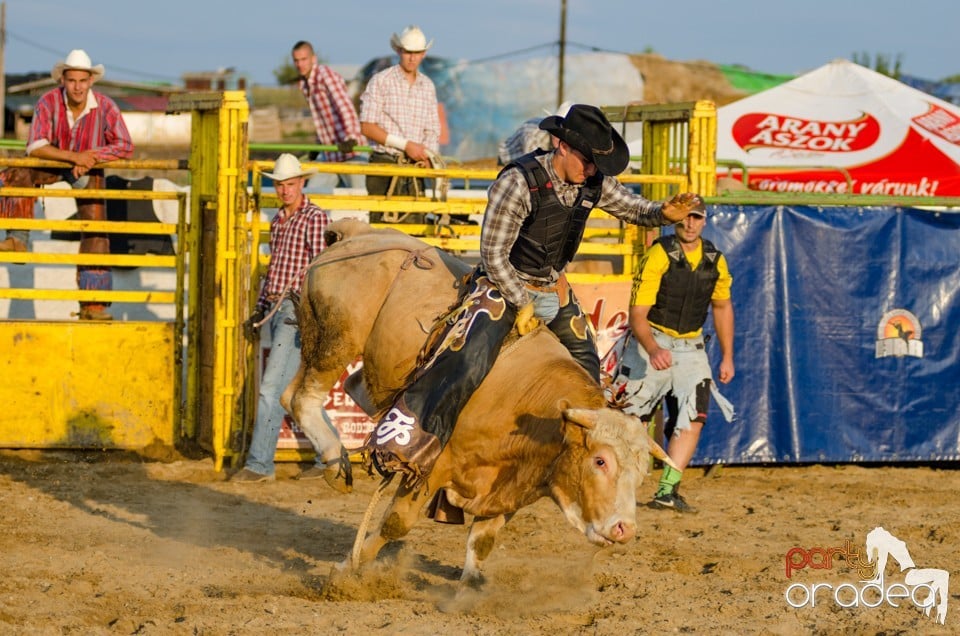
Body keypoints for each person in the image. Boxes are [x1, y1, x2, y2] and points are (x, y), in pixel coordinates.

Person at [367, 103, 705, 484]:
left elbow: (632, 208)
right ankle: (413, 443)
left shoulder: (592, 181)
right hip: (502, 284)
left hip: (553, 287)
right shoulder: (518, 181)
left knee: (587, 371)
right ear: (561, 146)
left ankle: (575, 458)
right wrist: (522, 301)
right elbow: (493, 255)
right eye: (588, 160)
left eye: (597, 164)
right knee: (468, 363)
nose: (591, 170)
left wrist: (664, 213)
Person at [231, 153, 352, 493]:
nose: (284, 190)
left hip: (294, 310)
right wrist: (259, 307)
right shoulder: (279, 220)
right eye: (280, 185)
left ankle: (259, 464)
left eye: (289, 184)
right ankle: (330, 454)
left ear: (301, 184)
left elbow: (322, 266)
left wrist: (311, 311)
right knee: (292, 391)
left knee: (272, 389)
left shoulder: (313, 218)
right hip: (278, 307)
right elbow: (274, 270)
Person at [618, 199, 735, 513]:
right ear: (675, 220)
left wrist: (727, 356)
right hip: (651, 338)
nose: (689, 223)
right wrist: (653, 349)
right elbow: (638, 313)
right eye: (684, 217)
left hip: (692, 346)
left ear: (704, 221)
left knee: (694, 416)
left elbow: (722, 307)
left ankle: (668, 489)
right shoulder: (659, 253)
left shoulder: (714, 260)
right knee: (632, 418)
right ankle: (619, 485)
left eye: (695, 217)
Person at [0, 49, 133, 321]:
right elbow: (36, 145)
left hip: (86, 167)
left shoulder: (106, 106)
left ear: (91, 81)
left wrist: (91, 157)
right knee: (17, 173)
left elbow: (125, 145)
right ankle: (17, 239)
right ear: (63, 80)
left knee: (95, 221)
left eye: (82, 81)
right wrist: (74, 157)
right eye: (72, 80)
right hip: (54, 162)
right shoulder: (48, 101)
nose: (77, 87)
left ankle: (93, 304)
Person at [359, 25, 440, 219]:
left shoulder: (427, 86)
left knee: (415, 231)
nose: (412, 58)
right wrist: (406, 146)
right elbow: (367, 126)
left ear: (423, 54)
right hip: (385, 163)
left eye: (417, 53)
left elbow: (432, 129)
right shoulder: (381, 80)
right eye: (408, 52)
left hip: (415, 167)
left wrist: (428, 156)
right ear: (399, 51)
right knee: (382, 231)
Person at [290, 40, 366, 192]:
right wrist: (318, 146)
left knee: (360, 198)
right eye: (296, 61)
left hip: (350, 150)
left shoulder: (325, 76)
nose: (300, 64)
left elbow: (345, 106)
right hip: (330, 152)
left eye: (304, 59)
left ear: (314, 59)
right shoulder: (305, 85)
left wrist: (351, 138)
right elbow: (321, 119)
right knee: (312, 194)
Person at [496, 102, 572, 166]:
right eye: (559, 130)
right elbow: (531, 166)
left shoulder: (555, 141)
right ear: (552, 126)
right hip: (507, 160)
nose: (561, 136)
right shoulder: (533, 136)